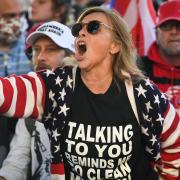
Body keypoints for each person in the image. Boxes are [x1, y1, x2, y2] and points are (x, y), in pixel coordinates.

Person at [0, 6, 179, 179]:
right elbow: (7, 91)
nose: (81, 33)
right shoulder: (57, 84)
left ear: (115, 45)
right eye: (78, 29)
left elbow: (175, 141)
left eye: (93, 27)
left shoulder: (142, 92)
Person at [0, 21, 75, 180]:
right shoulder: (31, 99)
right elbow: (17, 160)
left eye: (51, 49)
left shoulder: (86, 98)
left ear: (72, 57)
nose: (40, 57)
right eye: (36, 50)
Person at [0, 0, 33, 168]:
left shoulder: (32, 48)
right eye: (9, 16)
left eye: (20, 15)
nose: (17, 20)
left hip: (26, 134)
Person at [138, 0, 180, 117]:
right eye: (166, 26)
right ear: (156, 35)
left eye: (179, 26)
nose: (174, 31)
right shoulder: (137, 70)